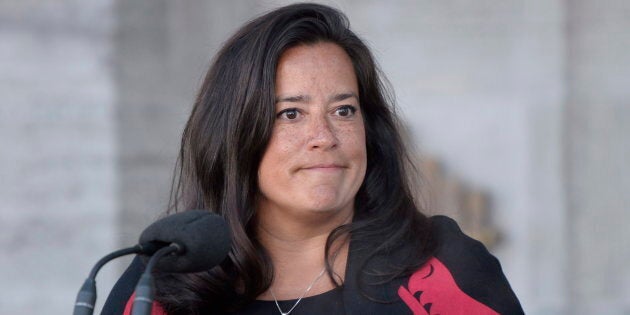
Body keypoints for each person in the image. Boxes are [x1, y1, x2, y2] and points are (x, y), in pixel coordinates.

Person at [102, 3, 524, 314]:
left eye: (344, 110)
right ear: (235, 134)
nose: (323, 137)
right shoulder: (159, 283)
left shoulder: (442, 266)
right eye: (290, 114)